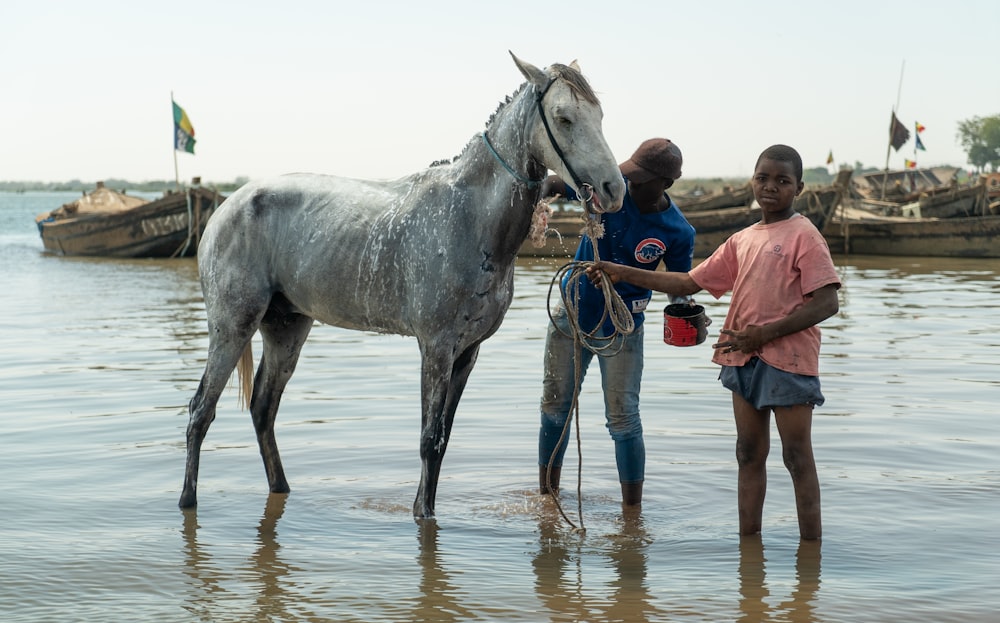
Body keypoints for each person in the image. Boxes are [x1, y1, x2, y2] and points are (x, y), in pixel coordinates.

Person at [588, 144, 840, 539]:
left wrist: (766, 333)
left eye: (782, 181)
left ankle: (811, 557)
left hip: (788, 359)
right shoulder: (743, 239)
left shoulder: (804, 235)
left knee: (796, 458)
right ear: (752, 182)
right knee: (748, 454)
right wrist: (622, 271)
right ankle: (748, 551)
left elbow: (827, 302)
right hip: (742, 357)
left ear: (799, 188)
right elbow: (688, 282)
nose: (770, 187)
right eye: (763, 178)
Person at [537, 138, 696, 509]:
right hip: (571, 317)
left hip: (624, 330)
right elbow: (558, 184)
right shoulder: (609, 194)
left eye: (642, 182)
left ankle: (632, 514)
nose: (632, 186)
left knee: (624, 420)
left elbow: (679, 286)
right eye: (630, 178)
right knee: (555, 408)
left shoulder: (678, 232)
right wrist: (539, 192)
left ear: (666, 184)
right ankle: (547, 500)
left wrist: (687, 311)